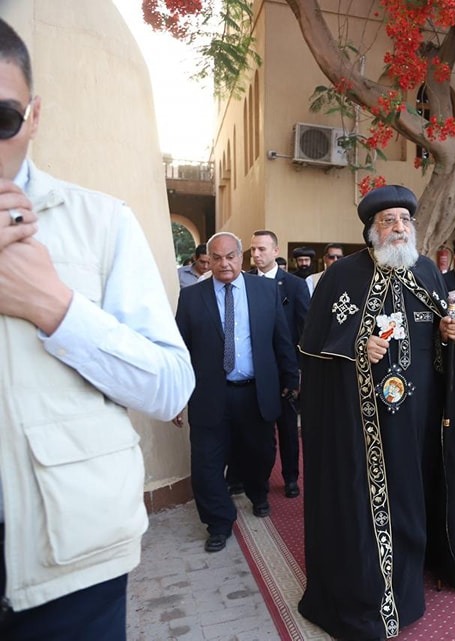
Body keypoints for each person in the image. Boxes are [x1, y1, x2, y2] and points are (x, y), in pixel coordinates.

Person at [0, 18, 195, 638]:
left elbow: (170, 384)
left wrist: (56, 307)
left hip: (72, 563)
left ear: (32, 116)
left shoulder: (99, 223)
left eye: (1, 118)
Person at [297, 185, 455, 639]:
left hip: (419, 417)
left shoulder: (427, 271)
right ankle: (374, 591)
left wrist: (451, 332)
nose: (399, 228)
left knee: (416, 494)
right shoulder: (342, 277)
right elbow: (314, 349)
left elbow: (442, 330)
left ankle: (414, 575)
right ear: (371, 230)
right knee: (374, 503)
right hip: (363, 422)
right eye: (389, 220)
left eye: (405, 220)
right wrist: (357, 347)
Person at [174, 232, 300, 553]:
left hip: (255, 392)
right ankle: (218, 522)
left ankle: (258, 493)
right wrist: (175, 395)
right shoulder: (191, 298)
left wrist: (292, 377)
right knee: (206, 463)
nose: (224, 263)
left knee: (259, 453)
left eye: (230, 256)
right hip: (209, 394)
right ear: (209, 260)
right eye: (216, 258)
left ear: (241, 257)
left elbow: (281, 339)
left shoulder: (265, 290)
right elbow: (180, 350)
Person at [249, 229, 310, 497]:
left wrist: (298, 371)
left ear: (275, 251)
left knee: (287, 429)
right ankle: (252, 479)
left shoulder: (294, 286)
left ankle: (290, 478)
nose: (256, 254)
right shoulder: (245, 282)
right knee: (256, 431)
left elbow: (305, 329)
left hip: (286, 371)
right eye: (253, 249)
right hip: (255, 372)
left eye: (262, 249)